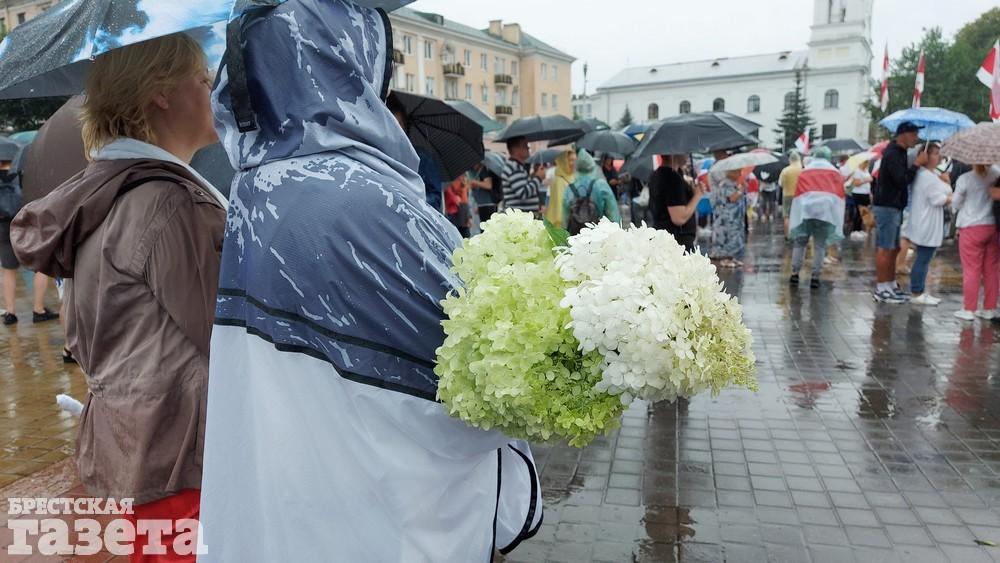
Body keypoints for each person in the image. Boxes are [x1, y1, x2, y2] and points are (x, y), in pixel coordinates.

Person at [199, 2, 542, 561]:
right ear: (346, 58)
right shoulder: (367, 198)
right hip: (377, 507)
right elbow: (478, 360)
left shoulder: (254, 184)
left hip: (291, 482)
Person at [11, 34, 227, 562]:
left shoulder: (103, 191)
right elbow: (225, 337)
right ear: (160, 93)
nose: (213, 90)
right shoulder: (170, 202)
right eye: (202, 79)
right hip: (186, 456)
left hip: (137, 445)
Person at [872, 122, 928, 304]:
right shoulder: (893, 153)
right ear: (903, 134)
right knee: (886, 248)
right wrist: (916, 165)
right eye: (914, 134)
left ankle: (890, 285)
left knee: (893, 248)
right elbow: (901, 180)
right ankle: (882, 288)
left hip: (894, 206)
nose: (916, 138)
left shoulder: (900, 152)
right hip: (887, 206)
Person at [1, 162, 59, 326]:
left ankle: (10, 313)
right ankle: (38, 310)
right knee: (41, 267)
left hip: (3, 226)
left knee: (8, 270)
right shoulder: (23, 171)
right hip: (25, 223)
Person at [787, 147, 846, 289]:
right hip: (825, 213)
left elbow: (798, 193)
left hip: (805, 212)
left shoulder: (805, 171)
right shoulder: (835, 172)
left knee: (800, 243)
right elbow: (839, 195)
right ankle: (815, 277)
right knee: (820, 245)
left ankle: (795, 274)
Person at [951, 164, 1000, 321]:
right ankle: (990, 308)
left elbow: (955, 204)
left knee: (971, 269)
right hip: (991, 225)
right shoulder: (996, 174)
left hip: (970, 226)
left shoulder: (965, 179)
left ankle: (969, 309)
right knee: (991, 270)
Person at [906, 144, 952, 306]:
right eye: (935, 153)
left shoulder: (931, 174)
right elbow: (937, 198)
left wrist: (946, 184)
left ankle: (919, 289)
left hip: (928, 220)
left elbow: (944, 190)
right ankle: (916, 291)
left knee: (925, 257)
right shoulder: (926, 176)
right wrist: (950, 198)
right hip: (926, 221)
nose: (939, 156)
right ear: (925, 156)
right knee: (923, 258)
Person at [387, 97, 444, 214]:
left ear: (404, 126)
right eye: (390, 124)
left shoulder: (422, 158)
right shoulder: (377, 155)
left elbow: (436, 200)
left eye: (398, 124)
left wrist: (412, 201)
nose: (395, 130)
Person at [649, 154, 702, 252]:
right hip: (678, 242)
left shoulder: (657, 174)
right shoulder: (672, 178)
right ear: (674, 153)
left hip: (664, 238)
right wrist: (697, 195)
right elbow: (679, 218)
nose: (687, 155)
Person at [562, 149, 621, 232]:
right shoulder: (601, 185)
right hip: (598, 234)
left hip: (575, 236)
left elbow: (563, 221)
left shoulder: (569, 188)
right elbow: (614, 216)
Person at [711, 169, 746, 268]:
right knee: (726, 238)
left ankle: (731, 257)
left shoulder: (732, 184)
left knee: (733, 238)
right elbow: (732, 198)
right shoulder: (725, 184)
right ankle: (725, 259)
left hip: (733, 218)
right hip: (727, 218)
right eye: (737, 172)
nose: (739, 174)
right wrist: (741, 191)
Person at [502, 136, 545, 215]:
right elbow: (523, 193)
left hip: (522, 216)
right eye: (525, 145)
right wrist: (538, 178)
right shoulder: (514, 167)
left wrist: (535, 176)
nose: (528, 148)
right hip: (519, 217)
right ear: (515, 149)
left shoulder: (517, 167)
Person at [546, 148, 577, 229]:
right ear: (563, 162)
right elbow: (559, 205)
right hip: (560, 224)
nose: (574, 163)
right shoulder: (559, 180)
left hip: (570, 220)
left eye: (575, 160)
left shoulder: (572, 176)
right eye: (571, 160)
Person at [779, 151, 803, 234]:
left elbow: (780, 184)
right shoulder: (802, 170)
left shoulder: (785, 170)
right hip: (799, 195)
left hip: (787, 195)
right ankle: (798, 233)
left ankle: (787, 235)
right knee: (798, 215)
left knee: (787, 216)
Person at [848, 159, 874, 234]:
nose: (868, 164)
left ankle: (862, 229)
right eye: (867, 163)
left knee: (866, 212)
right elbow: (856, 183)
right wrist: (866, 180)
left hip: (866, 193)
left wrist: (870, 193)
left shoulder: (866, 170)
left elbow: (870, 180)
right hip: (858, 193)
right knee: (859, 212)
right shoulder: (857, 171)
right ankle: (856, 229)